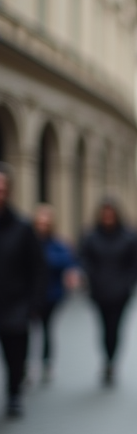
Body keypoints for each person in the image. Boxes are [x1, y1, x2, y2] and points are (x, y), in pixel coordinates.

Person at [79, 199, 137, 387]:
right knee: (104, 328)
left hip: (120, 293)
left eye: (111, 214)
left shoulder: (128, 237)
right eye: (104, 214)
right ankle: (107, 359)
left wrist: (128, 285)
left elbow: (135, 263)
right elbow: (85, 260)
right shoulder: (91, 237)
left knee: (115, 328)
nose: (108, 218)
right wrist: (90, 279)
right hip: (99, 291)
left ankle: (111, 361)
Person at [0, 163, 45, 418]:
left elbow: (37, 268)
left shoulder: (22, 228)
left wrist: (33, 304)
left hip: (15, 304)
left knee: (15, 354)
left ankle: (14, 394)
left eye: (3, 188)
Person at [30, 204, 77, 384]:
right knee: (26, 330)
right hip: (30, 296)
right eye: (40, 223)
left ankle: (46, 363)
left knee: (46, 329)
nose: (43, 226)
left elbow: (67, 262)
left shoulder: (58, 244)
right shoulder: (29, 242)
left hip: (51, 295)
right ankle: (26, 365)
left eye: (46, 223)